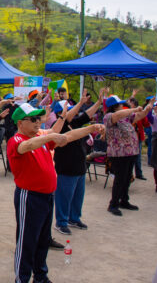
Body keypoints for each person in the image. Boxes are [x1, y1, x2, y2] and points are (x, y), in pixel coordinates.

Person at [7, 102, 105, 283]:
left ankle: (41, 276)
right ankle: (22, 279)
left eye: (39, 118)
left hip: (46, 196)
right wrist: (49, 136)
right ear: (20, 123)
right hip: (29, 197)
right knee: (27, 241)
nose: (38, 123)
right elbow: (26, 147)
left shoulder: (40, 138)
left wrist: (90, 128)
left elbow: (67, 136)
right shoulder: (17, 140)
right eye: (33, 119)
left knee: (43, 239)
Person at [53, 88, 106, 235]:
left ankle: (74, 218)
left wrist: (99, 103)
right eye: (68, 110)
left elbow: (87, 114)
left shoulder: (74, 122)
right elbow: (69, 115)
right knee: (64, 197)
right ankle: (61, 222)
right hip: (65, 168)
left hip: (79, 167)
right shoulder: (57, 128)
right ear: (60, 114)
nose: (74, 112)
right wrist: (80, 103)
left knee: (78, 196)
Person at [104, 95, 153, 216]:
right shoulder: (109, 117)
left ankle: (124, 200)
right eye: (120, 104)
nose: (123, 106)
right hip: (118, 153)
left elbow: (139, 116)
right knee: (120, 179)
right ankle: (113, 204)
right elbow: (117, 116)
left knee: (127, 178)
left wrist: (148, 107)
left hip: (131, 152)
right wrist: (133, 109)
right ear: (115, 107)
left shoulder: (126, 117)